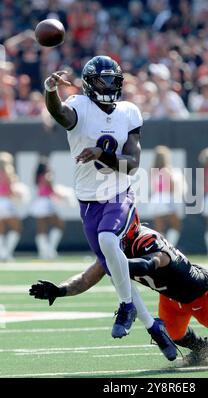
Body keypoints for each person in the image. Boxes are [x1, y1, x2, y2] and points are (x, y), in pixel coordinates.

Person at [43, 55, 176, 353]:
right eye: (104, 80)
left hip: (119, 194)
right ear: (90, 83)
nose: (110, 86)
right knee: (114, 266)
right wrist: (50, 91)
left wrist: (99, 154)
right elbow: (60, 115)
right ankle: (154, 327)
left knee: (107, 240)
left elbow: (132, 165)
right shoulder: (79, 106)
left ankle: (125, 306)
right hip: (88, 201)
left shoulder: (129, 112)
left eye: (114, 80)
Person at [29, 222, 208, 367]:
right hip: (170, 296)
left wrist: (116, 263)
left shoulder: (146, 240)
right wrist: (59, 290)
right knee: (173, 334)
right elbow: (88, 277)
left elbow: (153, 263)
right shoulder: (115, 249)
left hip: (199, 292)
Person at [149, 145, 186, 247]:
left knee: (159, 228)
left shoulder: (152, 171)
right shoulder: (167, 171)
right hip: (166, 199)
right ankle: (169, 248)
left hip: (156, 200)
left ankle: (161, 249)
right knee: (176, 225)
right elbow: (172, 187)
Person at [29, 156, 64, 259]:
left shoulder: (38, 177)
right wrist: (65, 197)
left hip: (40, 202)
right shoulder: (48, 176)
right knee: (59, 224)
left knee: (42, 228)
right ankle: (50, 250)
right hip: (46, 202)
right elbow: (53, 191)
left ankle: (44, 252)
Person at [0, 152, 23, 261]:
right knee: (17, 228)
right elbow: (11, 190)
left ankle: (3, 253)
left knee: (1, 229)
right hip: (6, 202)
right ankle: (7, 253)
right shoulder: (8, 172)